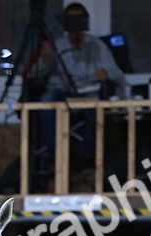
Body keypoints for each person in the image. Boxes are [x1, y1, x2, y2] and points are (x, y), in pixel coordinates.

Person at [30, 3, 126, 182]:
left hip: (88, 91)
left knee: (94, 103)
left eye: (79, 21)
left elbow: (119, 76)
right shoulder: (56, 45)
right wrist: (45, 58)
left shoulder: (96, 46)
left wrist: (107, 75)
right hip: (60, 92)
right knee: (46, 100)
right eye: (71, 21)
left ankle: (87, 157)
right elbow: (36, 75)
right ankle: (55, 156)